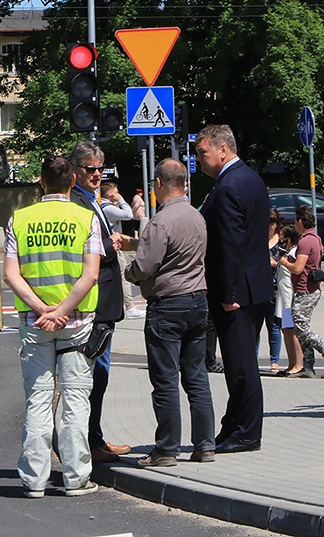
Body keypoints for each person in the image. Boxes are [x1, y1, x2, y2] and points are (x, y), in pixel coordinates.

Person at [4, 156, 102, 498]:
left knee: (38, 398)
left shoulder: (19, 219)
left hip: (35, 322)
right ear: (73, 181)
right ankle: (76, 478)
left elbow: (11, 275)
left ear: (41, 182)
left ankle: (34, 480)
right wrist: (62, 310)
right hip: (76, 322)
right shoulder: (86, 218)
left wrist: (42, 310)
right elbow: (90, 274)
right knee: (75, 399)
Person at [124, 159, 215, 466]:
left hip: (167, 305)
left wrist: (129, 272)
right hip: (197, 301)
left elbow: (146, 265)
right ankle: (205, 445)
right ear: (184, 184)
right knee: (197, 378)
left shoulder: (159, 222)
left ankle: (166, 449)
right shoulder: (196, 216)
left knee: (165, 380)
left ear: (159, 184)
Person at [195, 125, 273, 453]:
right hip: (254, 286)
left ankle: (246, 432)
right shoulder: (250, 178)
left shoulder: (227, 187)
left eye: (203, 152)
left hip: (237, 292)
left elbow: (229, 246)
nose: (198, 158)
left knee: (241, 366)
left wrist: (227, 294)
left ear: (223, 150)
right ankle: (235, 425)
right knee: (242, 362)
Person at [68, 141, 132, 463]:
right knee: (95, 375)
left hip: (103, 300)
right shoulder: (77, 202)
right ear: (75, 170)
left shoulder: (92, 199)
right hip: (95, 301)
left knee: (99, 377)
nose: (95, 175)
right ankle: (90, 443)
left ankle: (95, 438)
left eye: (98, 169)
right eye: (89, 169)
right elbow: (85, 247)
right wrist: (111, 242)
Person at [277, 206, 324, 379]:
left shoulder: (305, 241)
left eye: (296, 221)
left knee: (302, 329)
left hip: (305, 290)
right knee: (299, 327)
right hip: (307, 289)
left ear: (300, 221)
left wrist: (282, 261)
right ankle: (307, 367)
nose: (295, 225)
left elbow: (297, 269)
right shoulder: (315, 238)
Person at [100, 181, 145, 320]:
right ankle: (129, 307)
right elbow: (128, 215)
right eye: (116, 191)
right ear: (110, 193)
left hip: (113, 245)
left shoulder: (104, 206)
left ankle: (126, 305)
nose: (118, 193)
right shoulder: (107, 208)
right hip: (115, 245)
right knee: (122, 276)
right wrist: (121, 200)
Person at [274, 225, 303, 375]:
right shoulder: (285, 252)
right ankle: (291, 363)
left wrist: (283, 261)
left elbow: (295, 270)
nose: (279, 238)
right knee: (285, 330)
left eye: (282, 236)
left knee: (291, 331)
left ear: (289, 238)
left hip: (288, 298)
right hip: (282, 297)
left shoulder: (293, 252)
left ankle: (298, 364)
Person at [259, 209, 284, 373]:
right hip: (259, 288)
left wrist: (271, 262)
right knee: (255, 326)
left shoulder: (281, 242)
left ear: (276, 224)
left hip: (276, 291)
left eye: (271, 223)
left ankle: (275, 361)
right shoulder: (258, 240)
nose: (269, 226)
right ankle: (252, 359)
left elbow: (278, 262)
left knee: (274, 327)